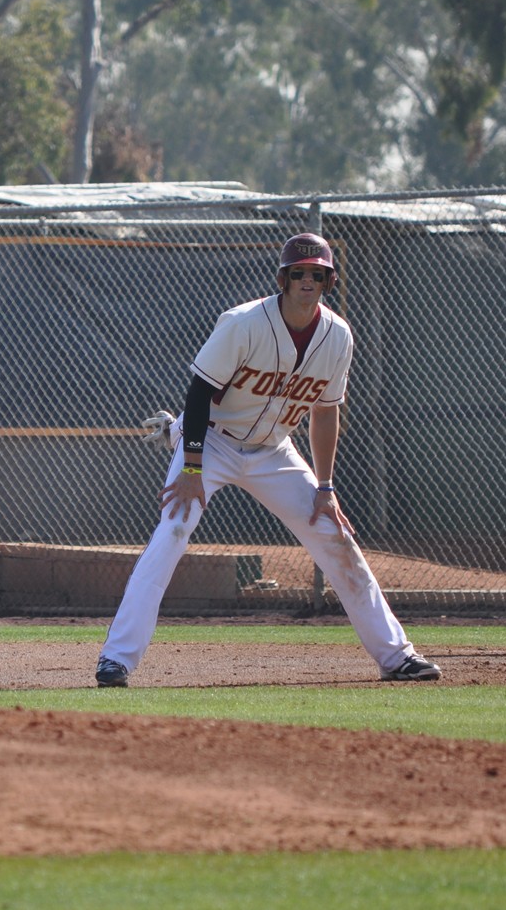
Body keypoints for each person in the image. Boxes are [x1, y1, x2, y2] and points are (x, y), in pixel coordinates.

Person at [96, 233, 441, 687]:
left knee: (336, 538)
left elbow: (326, 412)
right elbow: (199, 393)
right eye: (298, 273)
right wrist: (192, 468)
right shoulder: (243, 322)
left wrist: (325, 487)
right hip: (212, 442)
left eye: (317, 273)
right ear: (283, 279)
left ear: (329, 281)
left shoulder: (337, 335)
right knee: (173, 532)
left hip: (274, 450)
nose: (307, 280)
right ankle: (116, 659)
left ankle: (396, 657)